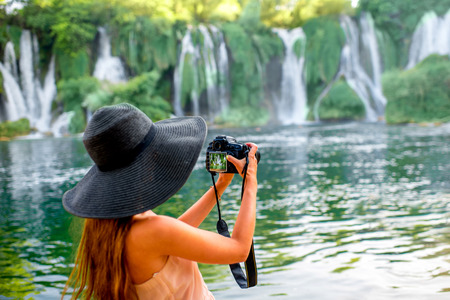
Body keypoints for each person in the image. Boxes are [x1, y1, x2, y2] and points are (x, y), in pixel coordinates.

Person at [61, 103, 258, 299]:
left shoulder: (108, 229)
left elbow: (174, 237)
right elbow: (239, 250)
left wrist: (220, 186)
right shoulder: (153, 230)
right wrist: (250, 182)